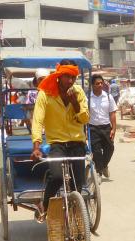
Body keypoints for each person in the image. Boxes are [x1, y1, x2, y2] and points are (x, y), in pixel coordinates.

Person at [30, 59, 90, 222]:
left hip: (77, 142)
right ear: (58, 76)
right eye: (67, 77)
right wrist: (36, 145)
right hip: (56, 143)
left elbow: (85, 119)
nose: (70, 81)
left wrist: (75, 103)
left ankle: (77, 220)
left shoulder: (78, 92)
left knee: (78, 185)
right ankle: (44, 206)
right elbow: (37, 120)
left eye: (73, 77)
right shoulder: (45, 93)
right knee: (56, 177)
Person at [88, 74, 118, 178]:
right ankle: (99, 172)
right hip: (93, 128)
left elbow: (112, 113)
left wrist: (114, 128)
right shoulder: (88, 98)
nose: (100, 85)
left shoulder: (108, 97)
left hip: (106, 127)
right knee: (96, 152)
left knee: (110, 148)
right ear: (92, 85)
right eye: (97, 83)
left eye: (101, 83)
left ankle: (103, 166)